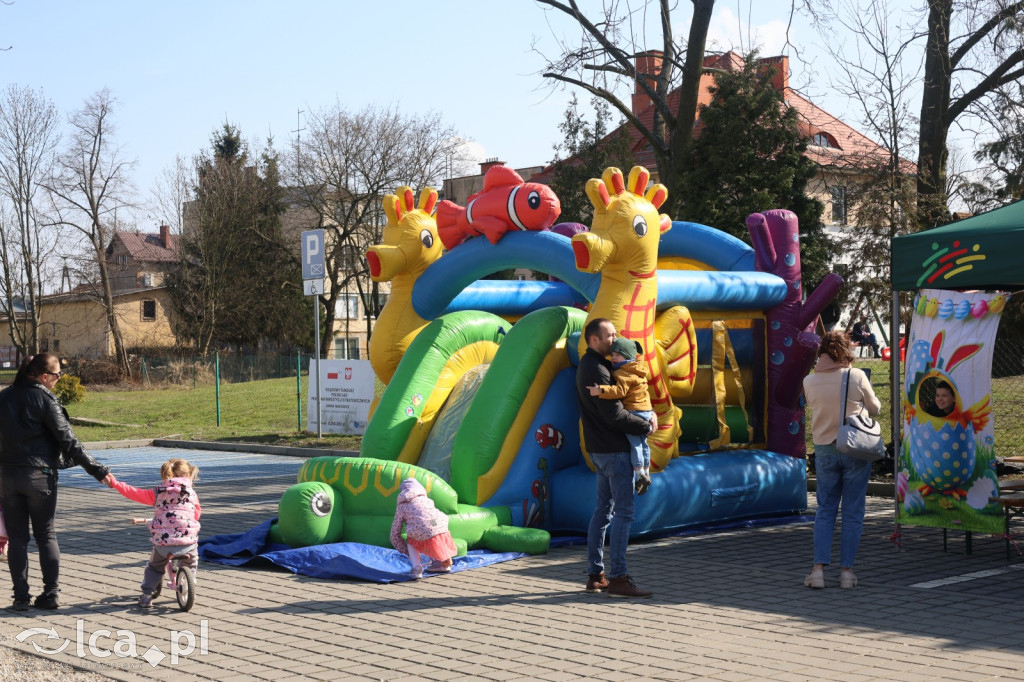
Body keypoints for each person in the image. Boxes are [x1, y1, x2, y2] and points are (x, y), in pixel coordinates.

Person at [0, 353, 114, 611]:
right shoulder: (45, 399)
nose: (60, 378)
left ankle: (20, 599)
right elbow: (69, 441)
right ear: (43, 377)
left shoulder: (4, 397)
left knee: (17, 539)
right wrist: (98, 470)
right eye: (57, 374)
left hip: (7, 476)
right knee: (45, 534)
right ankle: (50, 594)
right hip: (40, 477)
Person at [576, 318, 657, 598]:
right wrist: (644, 425)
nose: (615, 338)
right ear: (594, 340)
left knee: (603, 511)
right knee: (624, 512)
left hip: (600, 450)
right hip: (614, 451)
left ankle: (596, 574)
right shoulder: (596, 369)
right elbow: (613, 413)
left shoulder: (598, 365)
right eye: (610, 335)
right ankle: (619, 578)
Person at [802, 331, 882, 589]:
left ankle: (817, 571)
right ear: (846, 351)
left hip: (824, 448)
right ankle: (847, 572)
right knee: (852, 510)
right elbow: (875, 408)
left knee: (825, 509)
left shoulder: (809, 380)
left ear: (822, 352)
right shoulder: (856, 376)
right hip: (854, 448)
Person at [107, 458, 201, 608]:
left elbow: (134, 493)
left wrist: (116, 484)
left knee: (155, 567)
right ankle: (190, 584)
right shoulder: (191, 494)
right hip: (187, 542)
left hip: (164, 542)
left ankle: (147, 595)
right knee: (191, 561)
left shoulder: (158, 492)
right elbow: (196, 514)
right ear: (189, 475)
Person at [587, 336, 654, 495]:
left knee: (634, 443)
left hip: (634, 410)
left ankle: (639, 474)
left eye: (617, 354)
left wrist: (601, 390)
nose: (613, 357)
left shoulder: (623, 373)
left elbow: (620, 392)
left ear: (627, 355)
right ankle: (646, 471)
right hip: (645, 410)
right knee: (643, 443)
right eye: (612, 354)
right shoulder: (638, 369)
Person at [390, 477, 458, 579]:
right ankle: (444, 563)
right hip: (441, 524)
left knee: (413, 540)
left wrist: (405, 550)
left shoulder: (402, 506)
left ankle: (416, 568)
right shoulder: (427, 500)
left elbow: (395, 531)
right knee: (435, 537)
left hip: (421, 529)